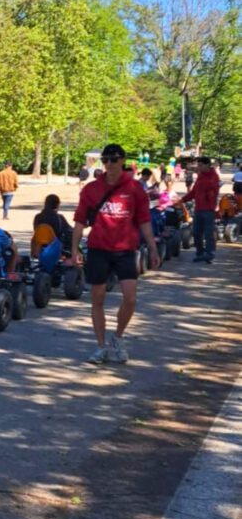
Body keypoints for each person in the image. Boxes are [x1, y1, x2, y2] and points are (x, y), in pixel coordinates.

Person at [71, 142, 160, 365]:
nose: (109, 164)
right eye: (106, 160)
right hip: (98, 248)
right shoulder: (91, 189)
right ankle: (101, 346)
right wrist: (74, 249)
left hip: (125, 249)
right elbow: (80, 221)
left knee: (130, 298)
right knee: (97, 298)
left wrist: (153, 247)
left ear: (122, 161)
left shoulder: (135, 189)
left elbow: (144, 221)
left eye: (114, 159)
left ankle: (118, 337)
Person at [178, 156, 222, 263]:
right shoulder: (200, 176)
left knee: (208, 234)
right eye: (198, 165)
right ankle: (200, 253)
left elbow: (212, 192)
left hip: (208, 210)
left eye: (200, 165)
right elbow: (194, 192)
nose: (198, 167)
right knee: (196, 233)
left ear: (207, 165)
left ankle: (210, 254)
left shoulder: (213, 177)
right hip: (198, 209)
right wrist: (182, 200)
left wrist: (209, 195)